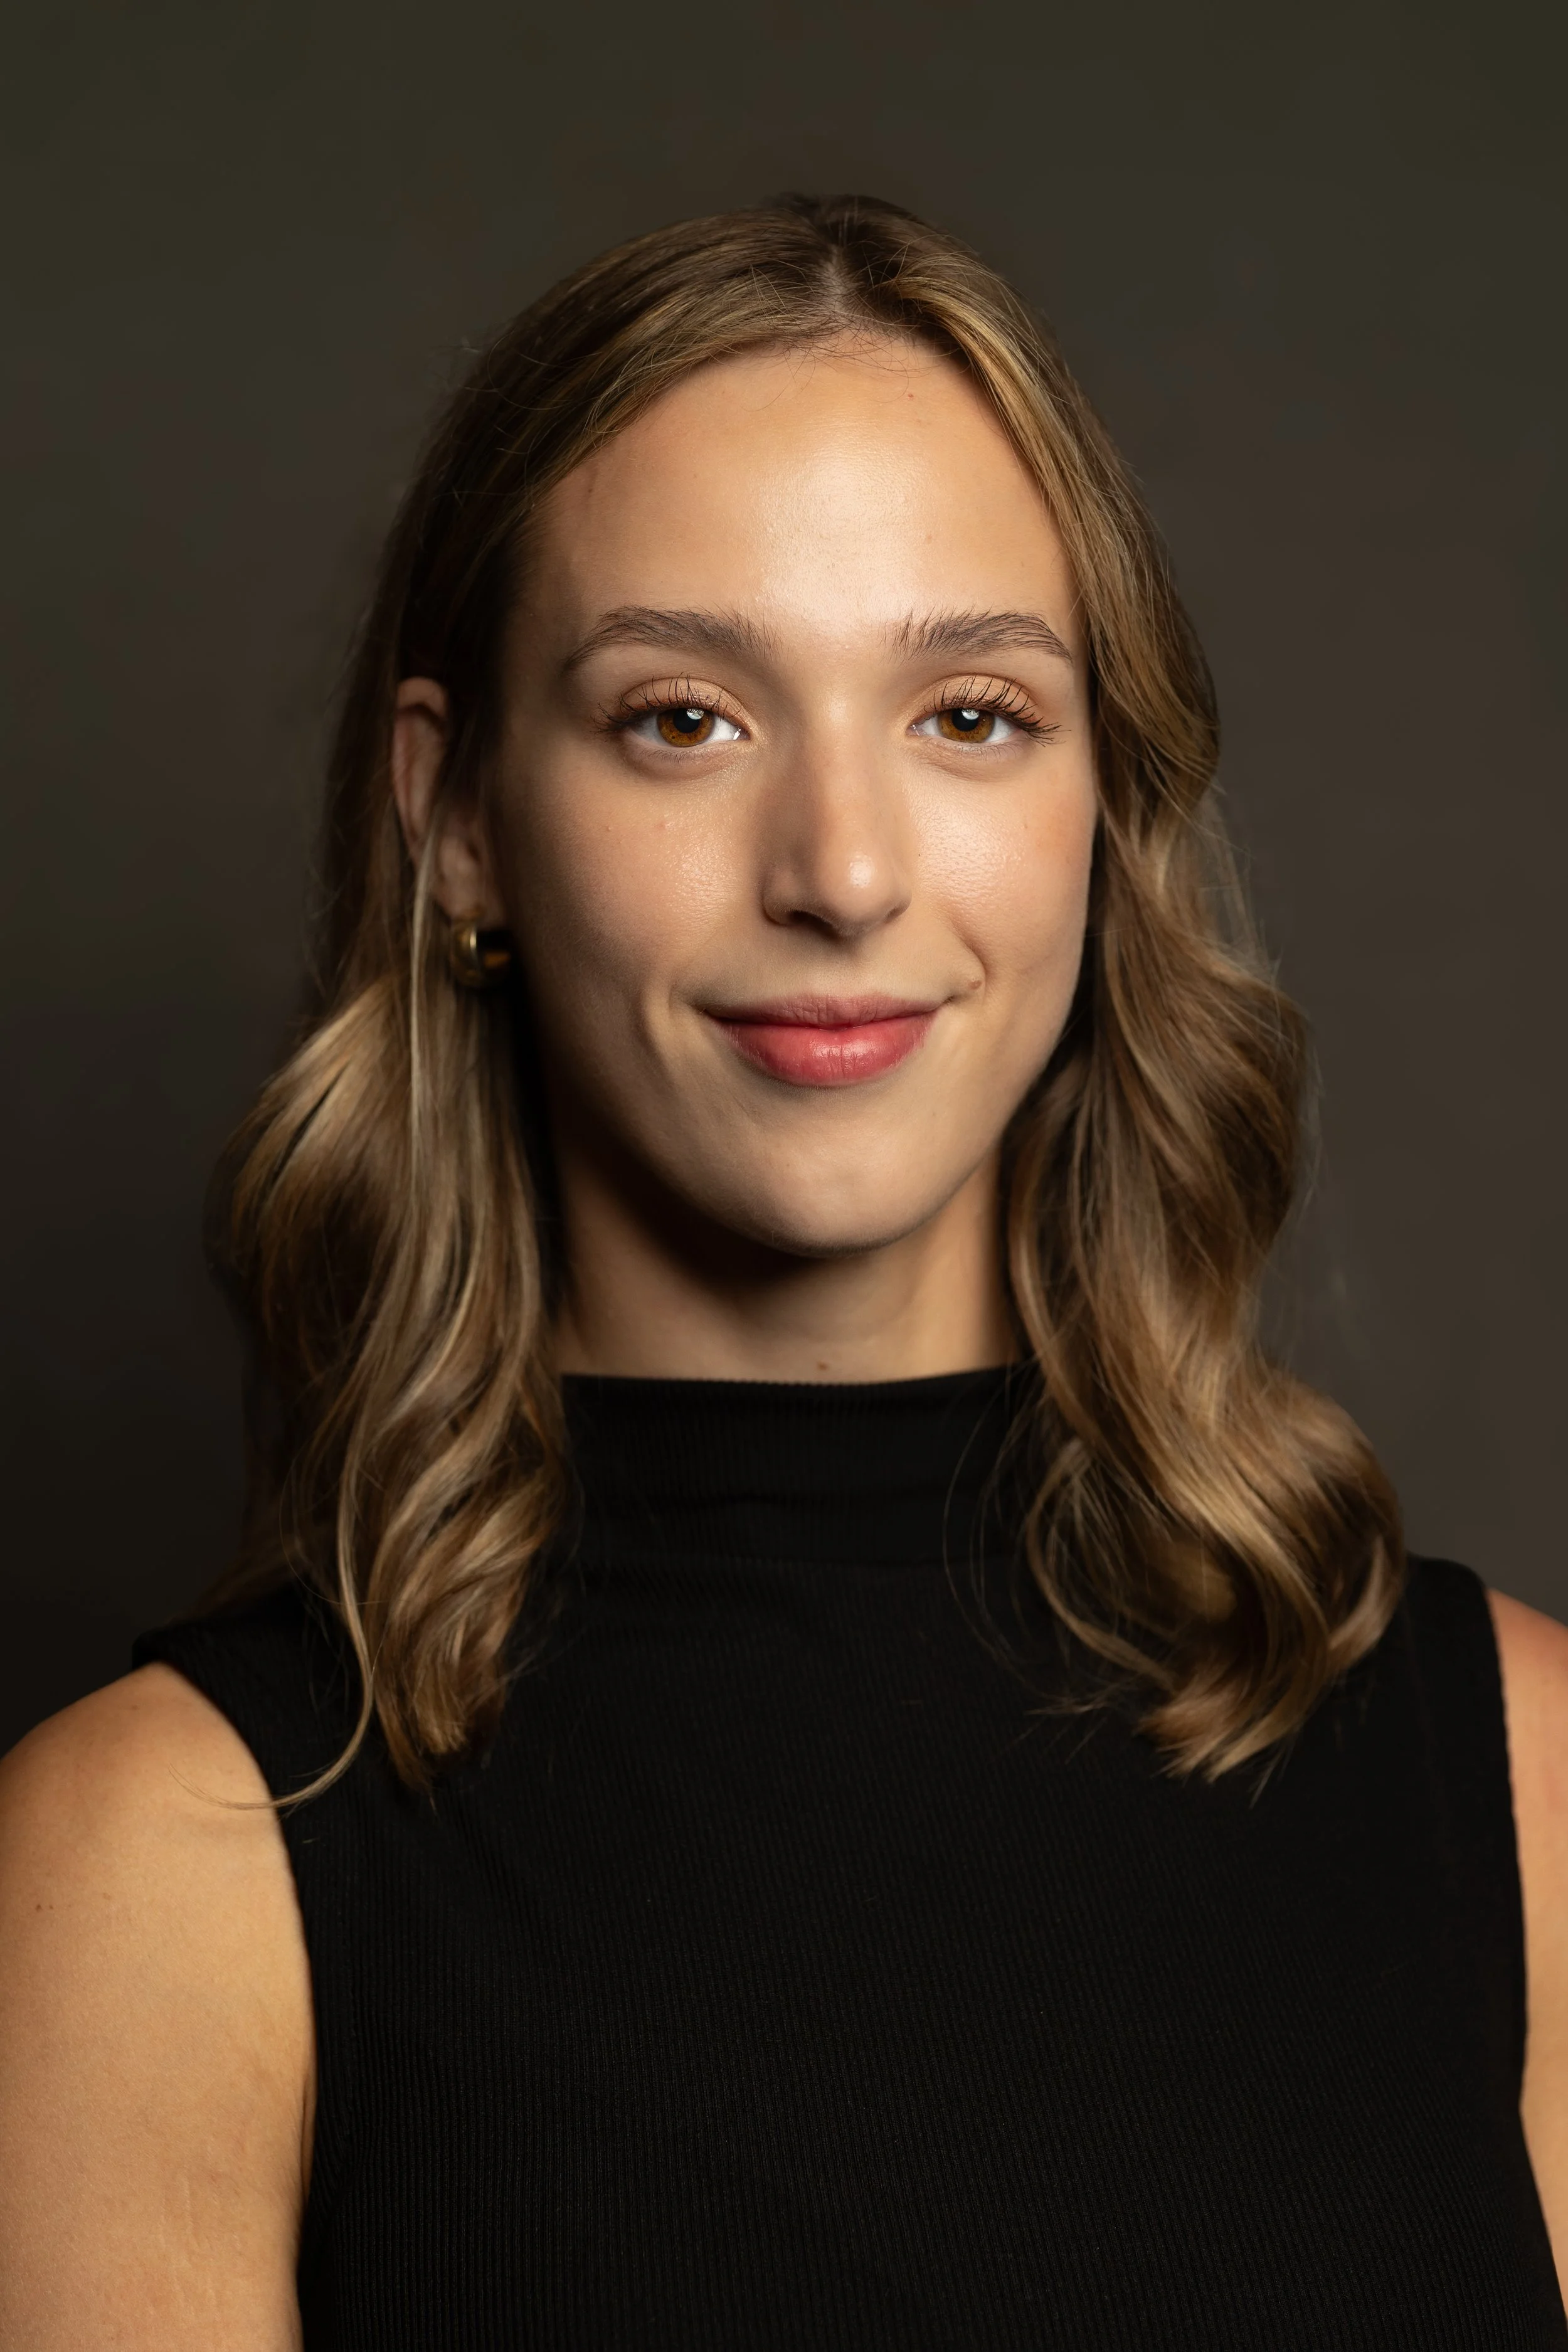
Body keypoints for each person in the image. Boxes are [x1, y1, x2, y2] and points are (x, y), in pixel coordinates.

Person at [0, 193, 1562, 2349]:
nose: (839, 870)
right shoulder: (158, 1865)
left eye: (971, 715)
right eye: (683, 717)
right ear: (457, 820)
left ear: (1103, 809)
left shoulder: (1520, 1785)